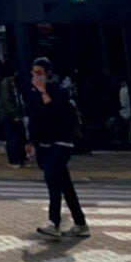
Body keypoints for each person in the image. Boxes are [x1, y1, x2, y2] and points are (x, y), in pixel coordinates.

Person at [27, 57, 89, 241]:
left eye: (39, 73)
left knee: (52, 179)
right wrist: (30, 141)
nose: (36, 76)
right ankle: (80, 223)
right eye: (34, 73)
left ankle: (54, 223)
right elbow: (34, 118)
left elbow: (55, 112)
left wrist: (43, 92)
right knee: (65, 185)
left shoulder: (60, 91)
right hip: (44, 144)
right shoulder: (33, 94)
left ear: (48, 74)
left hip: (62, 142)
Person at [0, 60, 27, 167]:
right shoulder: (6, 84)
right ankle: (14, 160)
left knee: (20, 136)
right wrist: (13, 114)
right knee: (13, 137)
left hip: (17, 113)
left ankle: (21, 158)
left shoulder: (13, 83)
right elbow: (6, 100)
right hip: (10, 115)